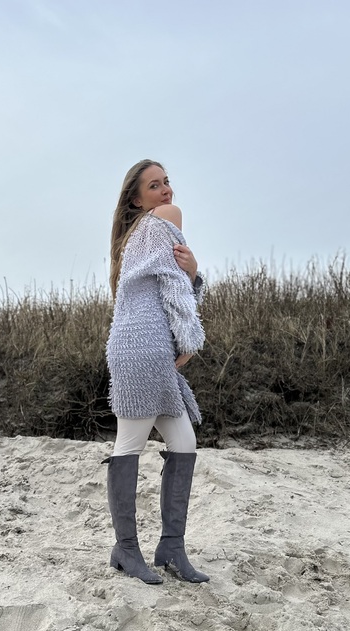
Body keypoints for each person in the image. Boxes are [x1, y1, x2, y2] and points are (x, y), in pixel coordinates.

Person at [104, 159, 209, 585]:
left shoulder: (139, 236)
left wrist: (193, 273)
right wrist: (188, 337)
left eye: (167, 182)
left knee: (183, 442)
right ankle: (126, 550)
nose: (166, 191)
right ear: (136, 199)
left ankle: (171, 548)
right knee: (129, 443)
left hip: (150, 347)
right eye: (154, 185)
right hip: (141, 348)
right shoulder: (162, 220)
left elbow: (174, 283)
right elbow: (176, 289)